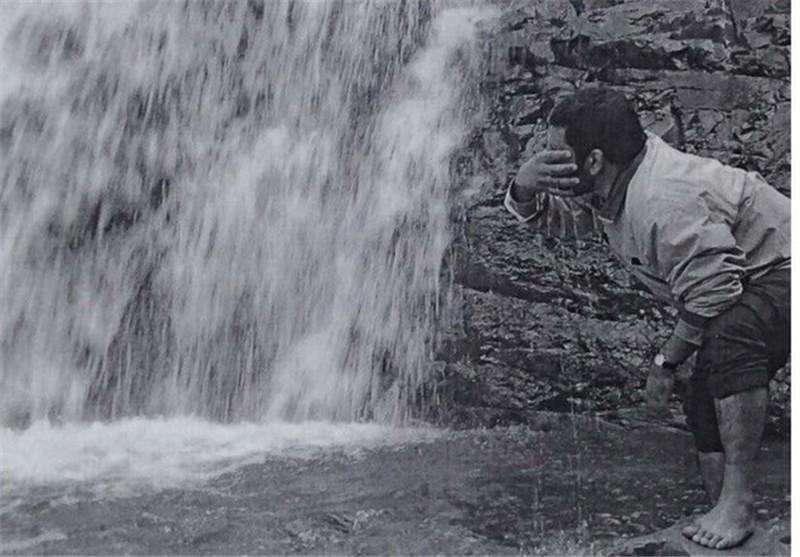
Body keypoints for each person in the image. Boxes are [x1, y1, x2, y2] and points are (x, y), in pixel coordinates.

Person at [504, 87, 790, 550]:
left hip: (784, 267)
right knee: (706, 384)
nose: (548, 163)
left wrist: (665, 362)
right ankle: (721, 505)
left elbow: (717, 290)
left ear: (593, 161)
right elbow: (561, 225)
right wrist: (524, 187)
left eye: (556, 155)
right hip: (749, 280)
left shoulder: (662, 198)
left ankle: (736, 504)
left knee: (730, 338)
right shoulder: (618, 180)